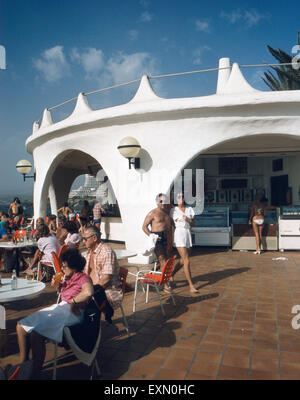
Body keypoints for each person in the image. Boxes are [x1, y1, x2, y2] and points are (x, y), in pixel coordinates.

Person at [15, 248, 94, 379]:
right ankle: (23, 366)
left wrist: (74, 301)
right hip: (61, 308)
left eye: (65, 266)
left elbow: (89, 292)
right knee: (21, 327)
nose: (62, 268)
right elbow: (62, 293)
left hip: (73, 312)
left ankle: (35, 372)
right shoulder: (66, 277)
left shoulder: (83, 277)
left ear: (74, 267)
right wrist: (57, 285)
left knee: (37, 332)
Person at [83, 225, 122, 313]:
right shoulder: (90, 251)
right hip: (93, 288)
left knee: (81, 304)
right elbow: (84, 272)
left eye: (85, 239)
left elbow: (105, 280)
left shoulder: (107, 252)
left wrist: (89, 292)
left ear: (94, 238)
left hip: (108, 291)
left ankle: (92, 325)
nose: (83, 241)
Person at [142, 193, 173, 293]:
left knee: (165, 260)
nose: (163, 203)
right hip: (157, 238)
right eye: (161, 201)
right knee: (163, 261)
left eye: (164, 201)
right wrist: (152, 236)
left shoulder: (167, 213)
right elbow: (144, 227)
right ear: (157, 202)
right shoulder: (152, 213)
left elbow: (171, 225)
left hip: (166, 237)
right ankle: (165, 285)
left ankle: (152, 274)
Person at [170, 192, 198, 294]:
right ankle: (191, 285)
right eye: (178, 197)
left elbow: (194, 223)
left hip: (187, 234)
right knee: (187, 261)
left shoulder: (190, 209)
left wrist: (189, 219)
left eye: (182, 196)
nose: (180, 198)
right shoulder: (173, 210)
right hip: (179, 234)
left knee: (182, 260)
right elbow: (171, 224)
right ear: (176, 199)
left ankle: (171, 274)